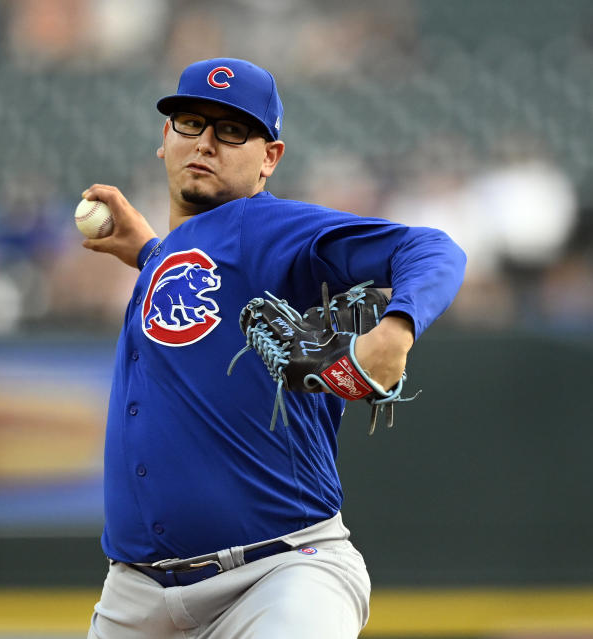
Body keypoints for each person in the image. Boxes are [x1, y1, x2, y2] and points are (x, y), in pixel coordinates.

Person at [80, 58, 466, 639]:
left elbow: (433, 249)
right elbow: (209, 279)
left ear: (269, 158)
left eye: (231, 130)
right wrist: (151, 254)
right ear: (165, 138)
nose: (206, 142)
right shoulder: (171, 257)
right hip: (136, 597)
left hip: (279, 573)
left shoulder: (270, 228)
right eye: (190, 122)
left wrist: (397, 328)